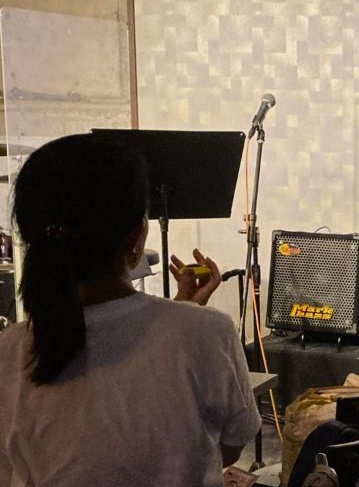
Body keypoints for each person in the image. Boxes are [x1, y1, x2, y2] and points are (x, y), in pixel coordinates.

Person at [0, 134, 261, 486]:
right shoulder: (207, 332)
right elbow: (228, 448)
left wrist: (182, 310)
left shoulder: (9, 351)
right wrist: (184, 317)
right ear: (136, 235)